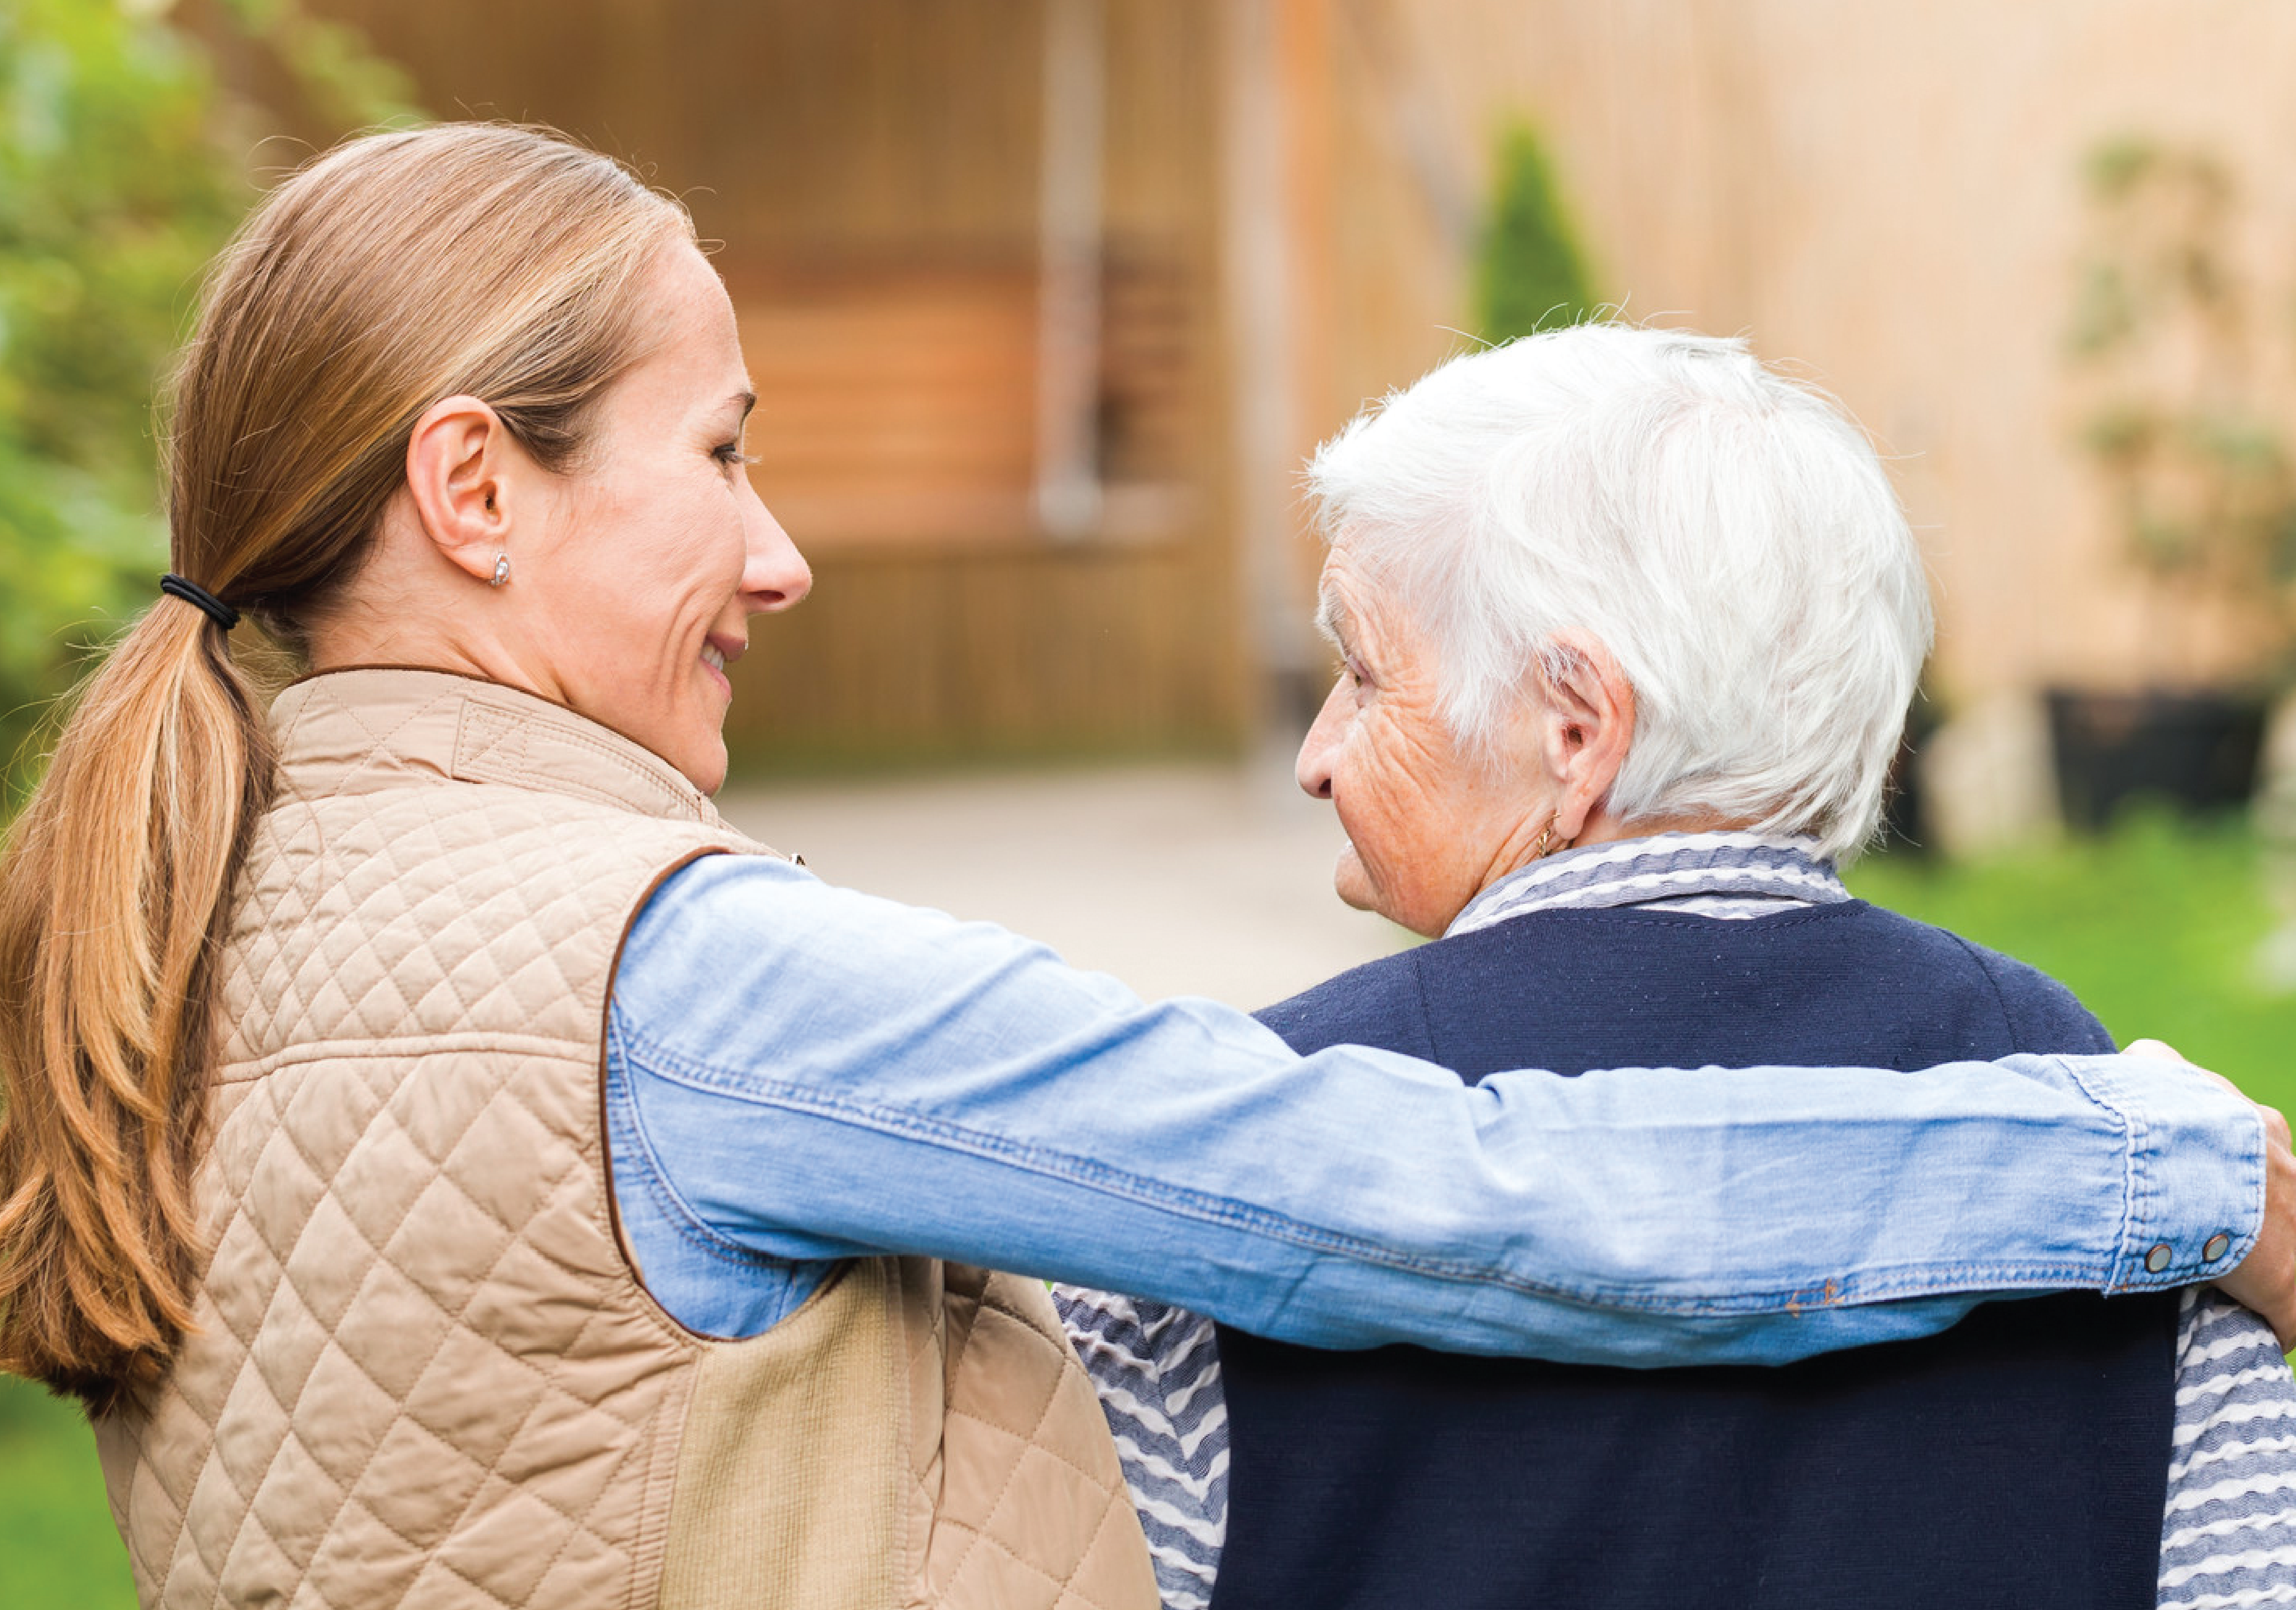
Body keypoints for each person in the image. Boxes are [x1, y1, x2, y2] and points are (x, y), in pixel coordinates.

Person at [0, 125, 2281, 1610]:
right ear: (475, 492)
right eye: (717, 453)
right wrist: (2181, 1169)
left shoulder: (193, 927)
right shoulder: (675, 983)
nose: (779, 554)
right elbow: (1463, 1196)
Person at [1054, 326, 2296, 1610]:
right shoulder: (2130, 1140)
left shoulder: (1238, 1142)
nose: (1317, 756)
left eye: (1365, 674)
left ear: (1578, 725)